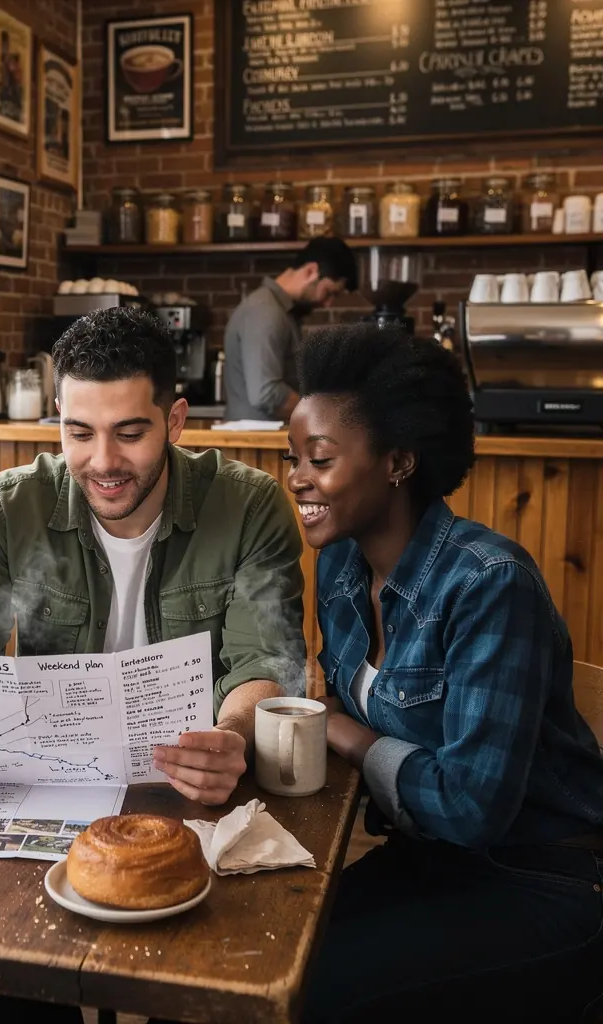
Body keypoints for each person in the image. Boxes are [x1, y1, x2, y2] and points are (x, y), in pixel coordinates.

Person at [283, 324, 603, 1023]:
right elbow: (338, 700)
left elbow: (469, 806)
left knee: (307, 996)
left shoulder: (489, 584)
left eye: (321, 458)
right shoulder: (340, 565)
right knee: (262, 963)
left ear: (398, 461)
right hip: (434, 863)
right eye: (293, 457)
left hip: (542, 877)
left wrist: (341, 731)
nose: (297, 477)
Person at [0, 304, 307, 811]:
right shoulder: (6, 508)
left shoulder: (249, 505)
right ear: (59, 414)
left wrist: (233, 736)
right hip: (49, 783)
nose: (104, 461)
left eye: (130, 434)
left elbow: (262, 661)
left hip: (196, 787)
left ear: (174, 421)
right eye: (79, 433)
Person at [223, 237, 357, 423]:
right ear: (311, 271)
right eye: (329, 292)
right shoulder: (265, 311)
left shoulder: (279, 311)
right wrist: (322, 412)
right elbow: (266, 393)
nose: (328, 304)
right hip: (256, 442)